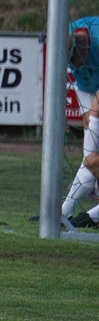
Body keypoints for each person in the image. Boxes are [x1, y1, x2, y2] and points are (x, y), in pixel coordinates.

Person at [63, 17, 99, 228]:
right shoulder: (64, 36)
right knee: (91, 157)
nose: (77, 68)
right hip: (88, 89)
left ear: (84, 47)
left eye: (77, 62)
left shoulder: (96, 37)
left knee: (93, 158)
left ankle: (87, 216)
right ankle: (64, 213)